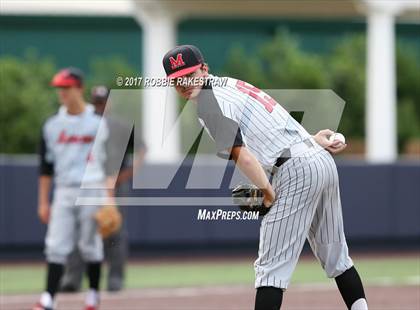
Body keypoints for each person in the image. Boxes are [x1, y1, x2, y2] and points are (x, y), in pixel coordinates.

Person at [162, 45, 368, 310]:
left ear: (204, 68)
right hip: (317, 158)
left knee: (270, 270)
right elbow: (274, 120)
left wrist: (267, 192)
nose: (184, 84)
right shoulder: (231, 84)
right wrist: (312, 140)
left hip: (295, 171)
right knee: (336, 256)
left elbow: (243, 157)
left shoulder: (208, 104)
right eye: (176, 80)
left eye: (189, 75)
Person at [34, 68, 115, 310]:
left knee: (90, 245)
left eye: (67, 88)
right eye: (60, 88)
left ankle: (92, 295)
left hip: (93, 187)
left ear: (79, 88)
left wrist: (110, 199)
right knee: (56, 245)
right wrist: (42, 201)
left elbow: (109, 163)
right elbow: (45, 167)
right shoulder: (51, 125)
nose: (63, 93)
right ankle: (49, 297)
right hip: (64, 189)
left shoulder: (99, 123)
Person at [60, 86, 147, 292]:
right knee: (80, 229)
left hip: (116, 184)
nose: (101, 106)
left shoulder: (121, 126)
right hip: (89, 183)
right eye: (98, 102)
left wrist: (126, 175)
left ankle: (115, 279)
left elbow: (143, 148)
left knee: (114, 230)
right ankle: (73, 278)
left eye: (103, 102)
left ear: (110, 103)